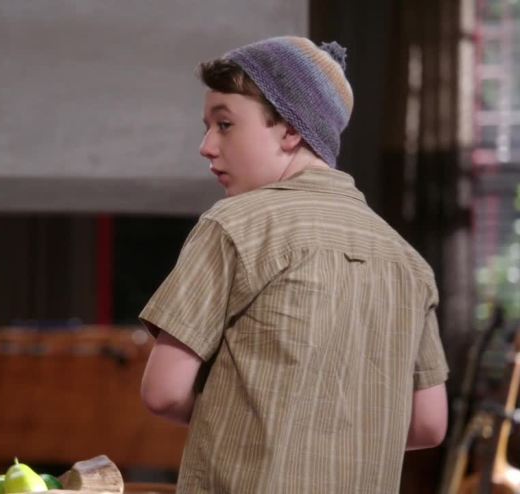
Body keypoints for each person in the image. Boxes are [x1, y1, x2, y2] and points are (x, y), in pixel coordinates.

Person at [138, 36, 449, 493]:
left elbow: (163, 392)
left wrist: (269, 427)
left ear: (290, 130)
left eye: (225, 124)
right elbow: (428, 424)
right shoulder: (408, 262)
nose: (206, 146)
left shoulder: (235, 226)